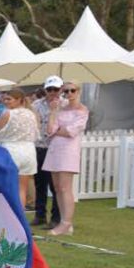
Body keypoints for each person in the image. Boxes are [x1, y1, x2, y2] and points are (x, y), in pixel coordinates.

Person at [42, 81, 89, 235]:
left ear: (78, 91)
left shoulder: (82, 110)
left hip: (69, 150)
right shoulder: (60, 109)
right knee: (57, 188)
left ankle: (66, 223)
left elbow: (71, 131)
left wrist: (58, 130)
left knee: (65, 187)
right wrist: (54, 112)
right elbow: (50, 129)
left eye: (72, 91)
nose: (69, 94)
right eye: (66, 91)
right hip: (55, 149)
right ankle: (64, 221)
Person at [0, 88, 40, 208]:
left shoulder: (8, 114)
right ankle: (19, 220)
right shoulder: (32, 114)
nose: (6, 102)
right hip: (28, 152)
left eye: (9, 99)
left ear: (19, 100)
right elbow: (36, 135)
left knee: (8, 189)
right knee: (22, 189)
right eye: (5, 99)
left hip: (12, 152)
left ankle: (9, 219)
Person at [32, 77, 63, 229]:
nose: (52, 92)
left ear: (61, 89)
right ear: (45, 90)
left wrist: (54, 111)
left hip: (56, 147)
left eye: (55, 89)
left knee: (55, 185)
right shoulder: (37, 104)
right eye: (49, 89)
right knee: (40, 183)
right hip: (40, 146)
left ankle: (56, 217)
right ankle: (40, 214)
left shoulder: (65, 104)